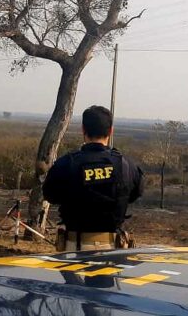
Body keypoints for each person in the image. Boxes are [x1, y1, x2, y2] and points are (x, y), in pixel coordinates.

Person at [42, 105, 143, 251]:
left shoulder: (66, 164)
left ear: (83, 130)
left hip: (74, 249)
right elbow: (135, 193)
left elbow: (50, 195)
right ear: (111, 131)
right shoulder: (125, 165)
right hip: (113, 251)